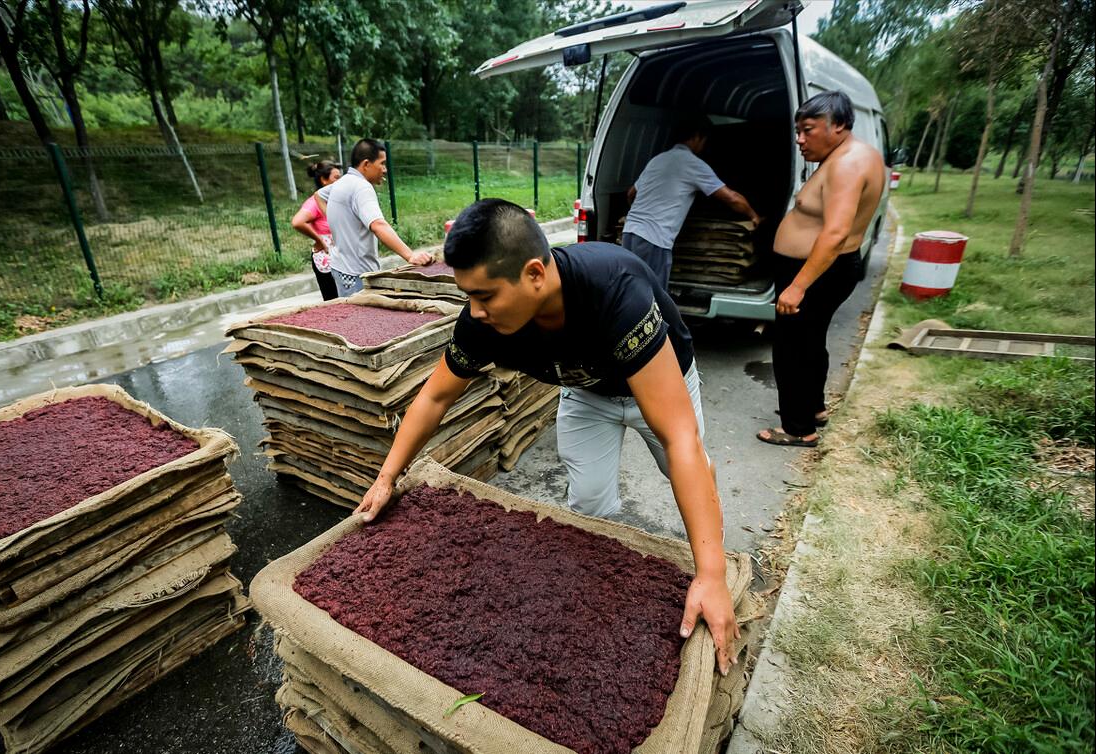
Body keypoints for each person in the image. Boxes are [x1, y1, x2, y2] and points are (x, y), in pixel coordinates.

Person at [354, 198, 741, 676]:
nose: (474, 312)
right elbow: (435, 398)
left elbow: (679, 436)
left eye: (486, 296)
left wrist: (712, 575)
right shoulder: (483, 323)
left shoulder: (614, 289)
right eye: (467, 296)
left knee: (687, 464)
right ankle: (599, 611)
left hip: (660, 385)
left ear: (535, 274)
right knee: (588, 507)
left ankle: (712, 553)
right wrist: (388, 476)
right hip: (586, 394)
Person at [757, 91, 885, 448]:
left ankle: (798, 429)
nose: (800, 139)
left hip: (817, 272)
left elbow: (835, 232)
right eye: (798, 131)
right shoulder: (857, 155)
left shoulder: (846, 164)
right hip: (829, 269)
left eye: (808, 130)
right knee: (811, 342)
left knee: (791, 349)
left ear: (840, 126)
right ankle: (813, 409)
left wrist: (798, 286)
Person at [622, 114, 761, 286]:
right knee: (653, 296)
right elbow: (731, 198)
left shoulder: (657, 159)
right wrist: (753, 215)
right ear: (697, 137)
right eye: (704, 140)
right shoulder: (692, 163)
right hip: (654, 240)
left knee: (632, 288)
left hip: (629, 234)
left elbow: (631, 194)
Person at [315, 138, 432, 296]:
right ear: (366, 164)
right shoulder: (361, 187)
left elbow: (318, 195)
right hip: (358, 275)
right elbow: (378, 225)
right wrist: (410, 255)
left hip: (340, 268)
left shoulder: (343, 182)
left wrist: (339, 222)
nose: (384, 169)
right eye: (382, 163)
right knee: (362, 319)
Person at [292, 160, 341, 301]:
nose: (340, 182)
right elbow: (297, 222)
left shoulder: (334, 200)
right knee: (334, 302)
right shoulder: (315, 202)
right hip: (326, 257)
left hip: (340, 255)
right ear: (324, 180)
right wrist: (319, 240)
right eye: (336, 178)